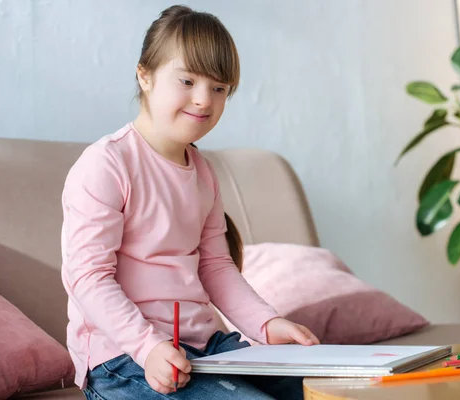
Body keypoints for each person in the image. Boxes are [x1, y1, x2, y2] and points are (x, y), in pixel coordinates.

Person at [60, 5, 319, 399]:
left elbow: (216, 265)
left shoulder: (203, 172)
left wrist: (267, 324)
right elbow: (87, 277)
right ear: (144, 76)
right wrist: (148, 348)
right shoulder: (107, 164)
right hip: (124, 359)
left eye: (219, 88)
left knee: (321, 388)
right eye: (187, 80)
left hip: (205, 346)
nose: (203, 100)